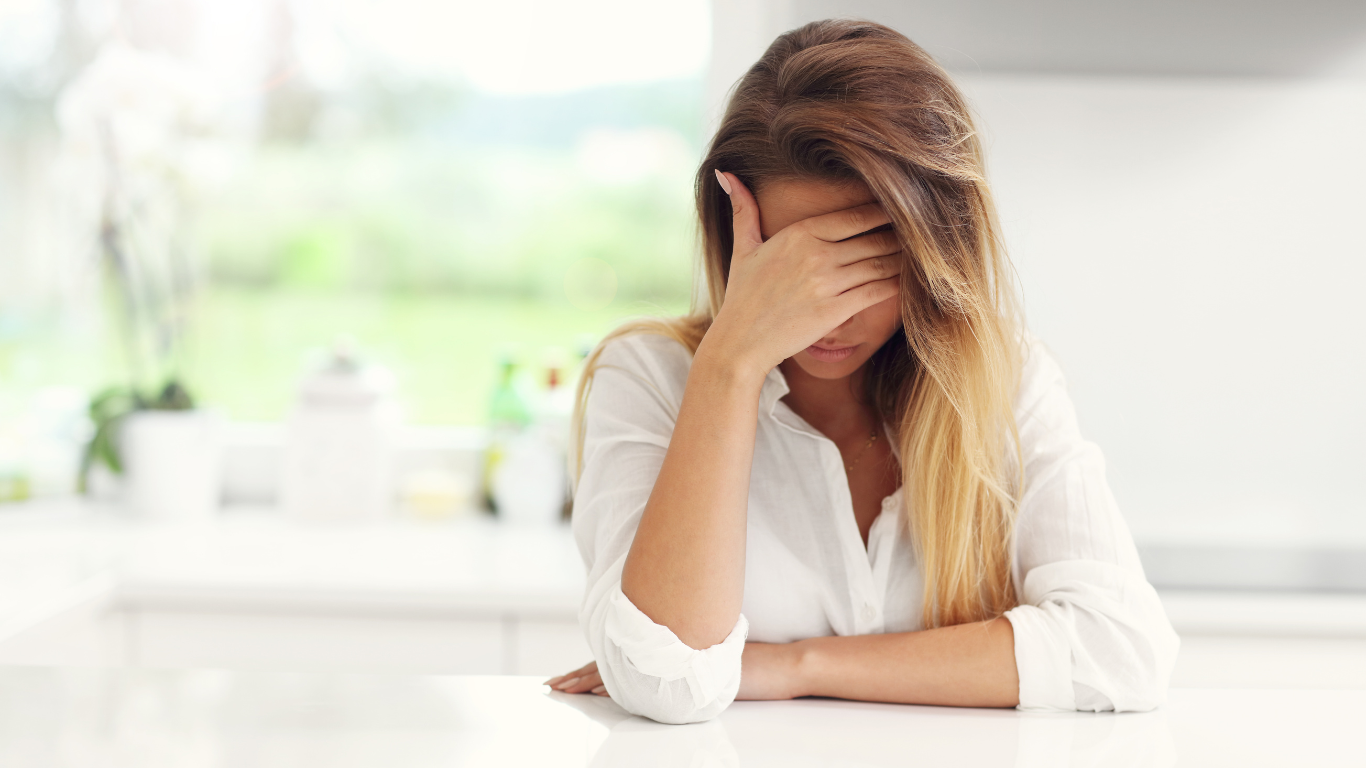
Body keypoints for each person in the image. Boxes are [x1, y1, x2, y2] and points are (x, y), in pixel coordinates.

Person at [544, 19, 1179, 725]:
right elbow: (666, 682)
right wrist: (733, 361)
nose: (827, 319)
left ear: (935, 255)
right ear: (734, 241)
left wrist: (794, 666)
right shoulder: (653, 378)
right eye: (792, 274)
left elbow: (1123, 650)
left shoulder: (1006, 379)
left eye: (865, 268)